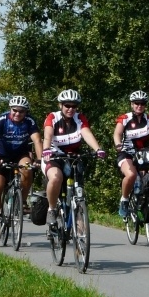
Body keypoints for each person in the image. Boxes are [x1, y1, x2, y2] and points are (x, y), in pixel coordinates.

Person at [42, 89, 106, 226]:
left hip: (73, 157)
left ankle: (79, 223)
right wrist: (46, 149)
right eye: (67, 105)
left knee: (79, 188)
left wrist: (97, 149)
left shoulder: (79, 118)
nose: (70, 109)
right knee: (56, 178)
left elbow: (86, 133)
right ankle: (51, 209)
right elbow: (48, 135)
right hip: (54, 156)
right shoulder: (53, 117)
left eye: (74, 106)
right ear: (60, 105)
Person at [0, 96, 42, 239]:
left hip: (20, 155)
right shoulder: (2, 120)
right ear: (10, 109)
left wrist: (39, 159)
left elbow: (37, 140)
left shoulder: (29, 121)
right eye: (14, 110)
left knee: (27, 169)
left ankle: (21, 201)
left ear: (26, 112)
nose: (17, 113)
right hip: (1, 156)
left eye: (21, 111)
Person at [113, 90, 149, 219]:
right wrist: (118, 144)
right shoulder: (125, 118)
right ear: (132, 104)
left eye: (142, 103)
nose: (139, 106)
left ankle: (148, 203)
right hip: (126, 153)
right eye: (137, 103)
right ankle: (124, 200)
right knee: (131, 175)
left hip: (144, 153)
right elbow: (117, 134)